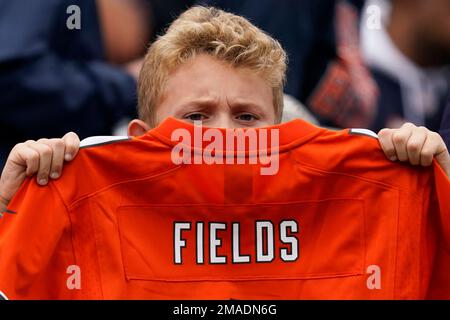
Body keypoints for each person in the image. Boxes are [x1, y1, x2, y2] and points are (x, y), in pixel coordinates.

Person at [0, 6, 449, 299]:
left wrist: (439, 188)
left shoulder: (370, 194)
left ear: (283, 130)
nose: (223, 135)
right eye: (196, 117)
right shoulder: (82, 206)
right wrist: (10, 211)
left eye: (247, 117)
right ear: (140, 137)